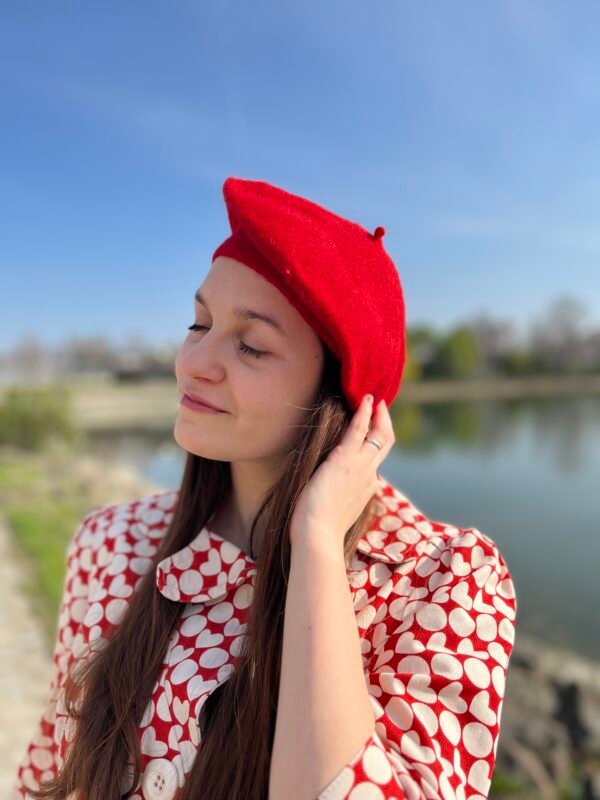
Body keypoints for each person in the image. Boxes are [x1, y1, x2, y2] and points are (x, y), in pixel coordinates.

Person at [13, 177, 517, 800]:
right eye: (199, 324)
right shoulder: (110, 542)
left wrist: (315, 542)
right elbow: (50, 774)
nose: (193, 362)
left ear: (340, 398)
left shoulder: (443, 580)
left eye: (251, 345)